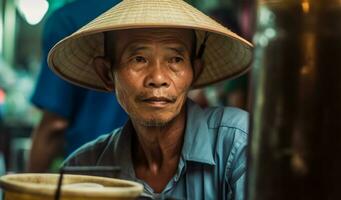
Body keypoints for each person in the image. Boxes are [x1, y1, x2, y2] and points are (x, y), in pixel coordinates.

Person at [48, 0, 253, 199]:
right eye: (139, 59)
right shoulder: (83, 170)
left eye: (175, 59)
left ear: (195, 73)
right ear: (107, 74)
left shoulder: (237, 144)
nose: (158, 78)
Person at [27, 0, 127, 172]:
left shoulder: (68, 20)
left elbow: (54, 125)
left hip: (90, 173)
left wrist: (26, 193)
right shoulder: (160, 15)